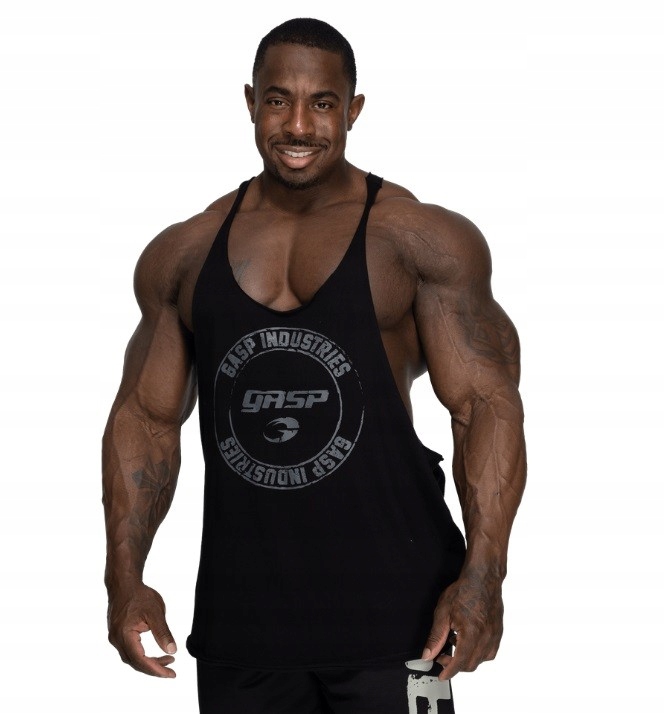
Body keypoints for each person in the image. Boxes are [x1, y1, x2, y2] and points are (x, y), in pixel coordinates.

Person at [102, 17, 526, 714]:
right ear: (251, 102)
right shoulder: (184, 253)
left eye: (322, 103)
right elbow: (145, 419)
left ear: (352, 110)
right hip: (244, 627)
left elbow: (486, 406)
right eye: (278, 100)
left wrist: (483, 578)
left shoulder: (418, 239)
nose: (298, 125)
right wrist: (124, 578)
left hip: (402, 619)